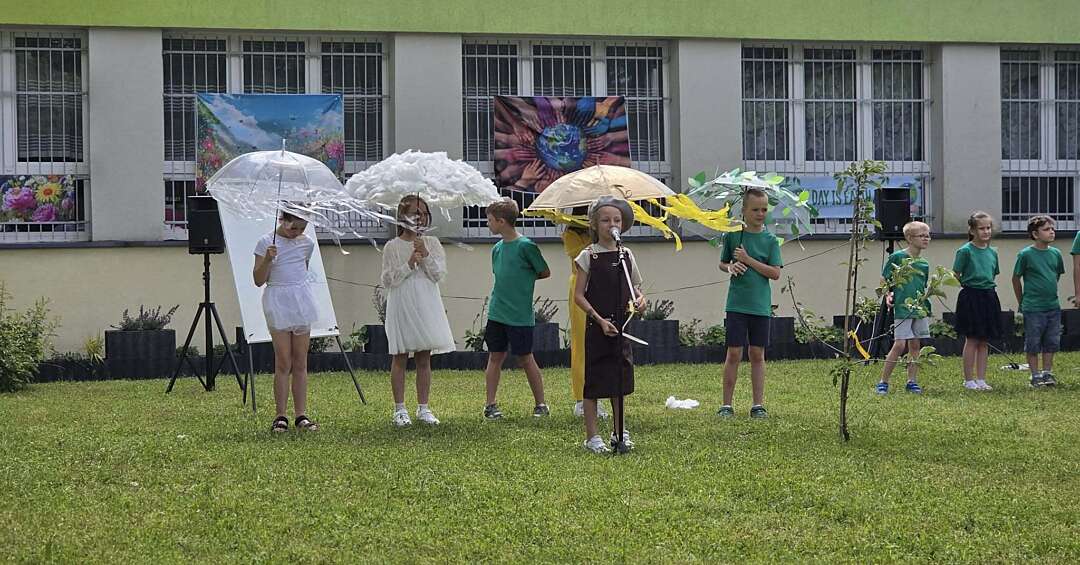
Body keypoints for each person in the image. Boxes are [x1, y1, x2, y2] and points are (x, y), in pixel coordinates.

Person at [573, 196, 646, 453]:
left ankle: (620, 431)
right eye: (605, 220)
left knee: (619, 380)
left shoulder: (626, 254)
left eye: (616, 220)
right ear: (594, 224)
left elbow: (636, 289)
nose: (611, 224)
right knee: (594, 381)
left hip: (621, 327)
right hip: (598, 327)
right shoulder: (588, 255)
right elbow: (579, 295)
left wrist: (641, 301)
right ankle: (592, 437)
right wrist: (598, 319)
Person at [381, 195, 456, 427]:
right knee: (400, 356)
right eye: (415, 213)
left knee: (424, 357)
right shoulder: (392, 246)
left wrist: (425, 255)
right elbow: (388, 280)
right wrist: (409, 264)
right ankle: (400, 409)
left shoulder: (431, 243)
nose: (420, 218)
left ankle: (423, 407)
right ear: (403, 215)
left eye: (424, 213)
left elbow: (438, 274)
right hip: (403, 301)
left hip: (425, 301)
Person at [482, 198, 552, 419]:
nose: (488, 224)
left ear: (501, 221)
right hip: (497, 313)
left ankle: (541, 404)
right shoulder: (497, 249)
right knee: (495, 356)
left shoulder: (526, 246)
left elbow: (544, 271)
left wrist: (524, 279)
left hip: (520, 315)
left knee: (525, 358)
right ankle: (490, 404)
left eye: (490, 220)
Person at [717, 188, 783, 418]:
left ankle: (758, 404)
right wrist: (731, 267)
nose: (760, 214)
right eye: (755, 209)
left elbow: (775, 273)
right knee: (734, 353)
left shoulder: (771, 241)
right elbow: (723, 263)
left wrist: (748, 259)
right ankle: (726, 405)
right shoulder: (733, 237)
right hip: (736, 305)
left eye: (764, 209)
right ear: (744, 210)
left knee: (757, 353)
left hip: (760, 306)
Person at [253, 210, 320, 433]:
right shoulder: (265, 242)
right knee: (283, 360)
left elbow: (303, 271)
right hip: (278, 300)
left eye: (302, 228)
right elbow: (258, 280)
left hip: (301, 301)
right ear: (283, 220)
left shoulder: (306, 243)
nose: (297, 232)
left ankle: (301, 414)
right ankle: (280, 415)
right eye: (293, 227)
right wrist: (267, 259)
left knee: (300, 360)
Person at [877, 221, 932, 395]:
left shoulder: (924, 263)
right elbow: (884, 279)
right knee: (899, 344)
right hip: (902, 307)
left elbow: (922, 286)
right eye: (921, 236)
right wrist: (888, 294)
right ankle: (883, 382)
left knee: (915, 344)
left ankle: (911, 381)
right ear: (909, 238)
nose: (926, 239)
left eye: (928, 236)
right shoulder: (897, 257)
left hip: (919, 308)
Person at [563, 207, 608, 420]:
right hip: (581, 290)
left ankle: (599, 393)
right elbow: (584, 256)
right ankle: (581, 398)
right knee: (582, 343)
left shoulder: (604, 236)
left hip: (602, 287)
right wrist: (596, 237)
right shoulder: (571, 235)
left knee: (601, 343)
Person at [952, 211, 1002, 391]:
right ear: (972, 230)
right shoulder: (965, 251)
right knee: (972, 338)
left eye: (988, 228)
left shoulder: (993, 252)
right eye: (981, 228)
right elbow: (956, 274)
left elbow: (993, 273)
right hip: (971, 296)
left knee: (984, 339)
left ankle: (981, 379)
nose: (986, 231)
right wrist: (969, 286)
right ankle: (969, 379)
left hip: (989, 295)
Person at [1013, 215, 1063, 387]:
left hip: (1053, 306)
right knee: (1033, 342)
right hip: (1033, 307)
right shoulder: (1026, 255)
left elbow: (1056, 275)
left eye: (1053, 229)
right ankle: (1035, 375)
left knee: (1051, 341)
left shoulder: (1056, 254)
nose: (1052, 232)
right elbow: (1016, 278)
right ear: (1035, 234)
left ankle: (1047, 372)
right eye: (1047, 229)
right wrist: (1022, 301)